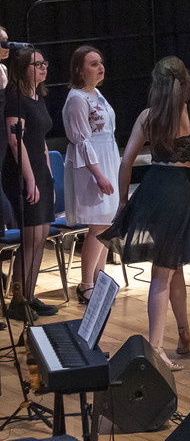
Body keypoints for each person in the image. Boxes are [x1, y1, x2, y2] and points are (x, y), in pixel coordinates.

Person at [104, 58, 190, 369]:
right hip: (180, 192)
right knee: (166, 270)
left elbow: (126, 161)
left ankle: (183, 333)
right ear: (185, 81)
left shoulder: (149, 116)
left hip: (155, 189)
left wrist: (123, 202)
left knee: (172, 267)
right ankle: (157, 347)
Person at [63, 46, 119, 304]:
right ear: (79, 69)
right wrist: (98, 174)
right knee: (98, 226)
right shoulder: (77, 98)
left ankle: (99, 281)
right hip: (91, 166)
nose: (100, 67)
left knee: (106, 224)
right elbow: (81, 140)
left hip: (107, 159)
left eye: (101, 62)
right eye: (93, 64)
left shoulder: (96, 93)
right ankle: (86, 285)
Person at [4, 46, 57, 320]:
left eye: (44, 63)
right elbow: (16, 142)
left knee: (42, 234)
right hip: (21, 172)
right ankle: (18, 301)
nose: (43, 67)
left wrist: (48, 177)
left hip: (39, 171)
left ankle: (31, 296)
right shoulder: (16, 99)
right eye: (36, 64)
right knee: (31, 237)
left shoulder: (38, 97)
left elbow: (42, 142)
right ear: (22, 69)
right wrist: (31, 179)